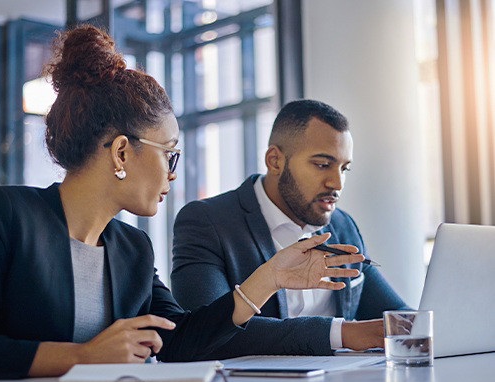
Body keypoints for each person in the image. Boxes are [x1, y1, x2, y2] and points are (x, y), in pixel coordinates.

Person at [0, 27, 364, 381]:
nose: (173, 172)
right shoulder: (4, 214)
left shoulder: (132, 248)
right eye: (169, 153)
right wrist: (84, 358)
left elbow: (181, 339)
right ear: (122, 153)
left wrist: (269, 278)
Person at [171, 100, 408, 358]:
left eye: (344, 168)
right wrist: (343, 334)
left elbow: (397, 317)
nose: (337, 183)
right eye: (322, 164)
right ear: (275, 161)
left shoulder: (343, 226)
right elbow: (204, 333)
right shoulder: (207, 222)